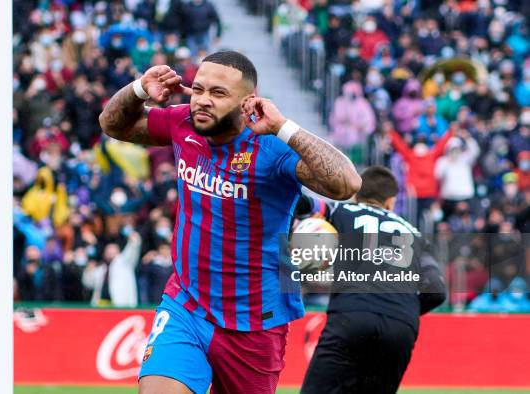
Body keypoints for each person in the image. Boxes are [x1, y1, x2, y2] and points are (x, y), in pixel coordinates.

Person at [99, 50, 361, 394]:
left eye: (218, 93)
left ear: (247, 103)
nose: (203, 101)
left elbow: (347, 184)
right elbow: (112, 124)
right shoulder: (183, 124)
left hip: (254, 324)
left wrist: (285, 128)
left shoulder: (272, 147)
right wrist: (138, 90)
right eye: (198, 90)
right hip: (186, 306)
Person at [300, 166, 446, 394]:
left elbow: (304, 205)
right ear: (391, 201)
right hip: (401, 325)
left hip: (352, 316)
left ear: (356, 195)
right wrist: (399, 308)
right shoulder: (416, 235)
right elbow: (437, 291)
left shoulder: (342, 210)